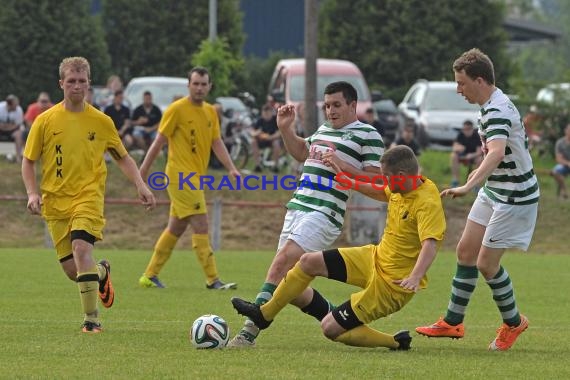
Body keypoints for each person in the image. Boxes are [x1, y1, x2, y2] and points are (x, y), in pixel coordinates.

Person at [231, 145, 446, 350]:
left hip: (392, 285)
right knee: (307, 261)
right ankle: (263, 314)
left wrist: (416, 276)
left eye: (387, 177)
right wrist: (347, 181)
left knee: (330, 328)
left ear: (400, 175)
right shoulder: (401, 187)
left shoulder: (427, 201)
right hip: (374, 257)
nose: (385, 181)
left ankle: (395, 342)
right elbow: (381, 192)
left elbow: (430, 243)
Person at [227, 81, 384, 348]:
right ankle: (339, 319)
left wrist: (342, 166)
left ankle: (250, 330)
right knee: (291, 285)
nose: (330, 111)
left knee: (281, 262)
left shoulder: (368, 135)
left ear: (352, 105)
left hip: (324, 212)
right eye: (327, 105)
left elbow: (377, 180)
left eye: (336, 105)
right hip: (298, 207)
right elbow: (302, 152)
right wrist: (285, 129)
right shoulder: (323, 129)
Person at [415, 48, 539, 351]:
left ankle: (514, 323)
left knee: (485, 263)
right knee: (466, 252)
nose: (458, 90)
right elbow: (497, 152)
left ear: (480, 80)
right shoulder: (489, 104)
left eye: (462, 84)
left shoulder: (497, 111)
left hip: (514, 196)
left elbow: (496, 152)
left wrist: (468, 184)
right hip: (496, 189)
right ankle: (453, 322)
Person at [21, 56, 156, 333]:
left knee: (82, 248)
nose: (77, 86)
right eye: (71, 81)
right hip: (56, 202)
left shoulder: (102, 121)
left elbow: (123, 157)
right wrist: (32, 193)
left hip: (88, 197)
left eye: (82, 81)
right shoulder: (45, 121)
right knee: (74, 272)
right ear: (61, 84)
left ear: (89, 83)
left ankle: (91, 320)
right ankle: (102, 272)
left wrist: (140, 184)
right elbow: (28, 160)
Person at [138, 67, 239, 290]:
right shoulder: (176, 110)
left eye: (204, 84)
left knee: (176, 227)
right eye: (196, 83)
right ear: (188, 85)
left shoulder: (211, 111)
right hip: (179, 177)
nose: (200, 88)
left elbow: (217, 142)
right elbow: (158, 142)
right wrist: (142, 172)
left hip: (196, 178)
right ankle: (213, 279)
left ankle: (149, 275)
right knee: (201, 223)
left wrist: (231, 168)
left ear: (209, 86)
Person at [449, 119, 483, 188]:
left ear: (472, 129)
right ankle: (455, 180)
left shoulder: (476, 136)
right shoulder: (461, 135)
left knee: (480, 159)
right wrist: (459, 148)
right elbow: (454, 147)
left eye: (468, 129)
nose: (466, 131)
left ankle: (476, 183)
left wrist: (471, 155)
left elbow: (479, 152)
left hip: (473, 156)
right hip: (462, 156)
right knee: (453, 156)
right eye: (464, 129)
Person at [251, 104, 281, 173]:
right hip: (261, 139)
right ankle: (257, 165)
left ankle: (275, 166)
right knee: (253, 142)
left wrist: (271, 137)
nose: (266, 114)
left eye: (268, 112)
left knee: (276, 143)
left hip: (272, 139)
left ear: (271, 112)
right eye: (264, 112)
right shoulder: (260, 120)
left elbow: (279, 133)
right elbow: (253, 132)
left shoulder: (275, 120)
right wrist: (257, 133)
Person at [0, 94, 25, 163]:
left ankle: (18, 158)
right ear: (9, 104)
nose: (16, 106)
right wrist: (8, 126)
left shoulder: (19, 110)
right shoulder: (0, 107)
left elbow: (17, 125)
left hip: (12, 131)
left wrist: (5, 126)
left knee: (19, 134)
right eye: (15, 105)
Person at [551, 123, 570, 200]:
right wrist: (568, 163)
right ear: (565, 131)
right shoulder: (560, 142)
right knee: (555, 171)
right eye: (569, 130)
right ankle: (565, 191)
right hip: (564, 165)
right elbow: (558, 159)